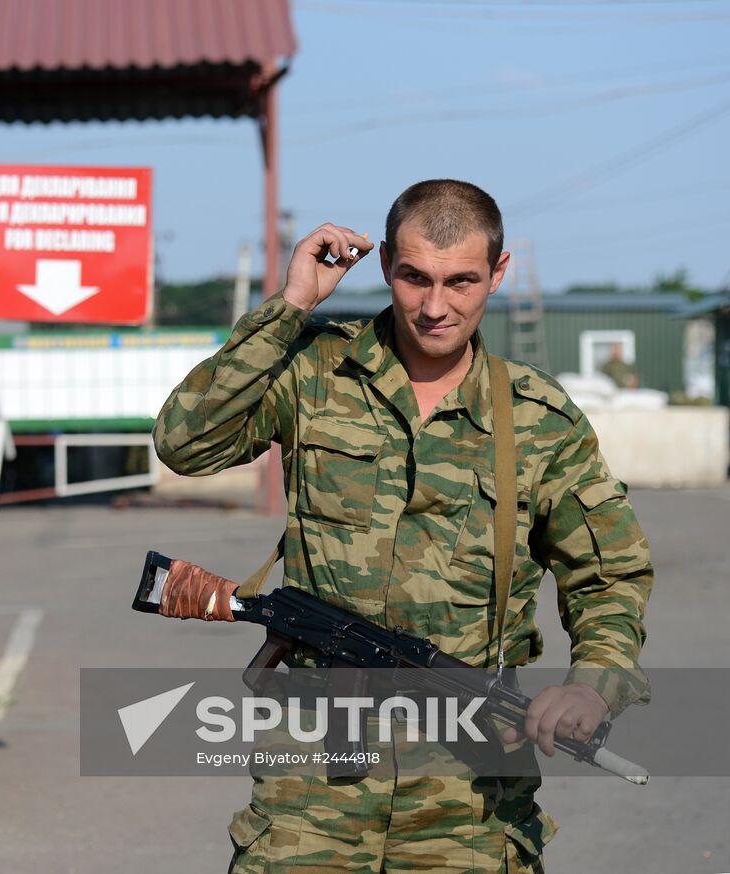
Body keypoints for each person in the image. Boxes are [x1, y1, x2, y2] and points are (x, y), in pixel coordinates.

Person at [153, 179, 653, 873]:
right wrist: (292, 305)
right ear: (385, 262)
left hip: (470, 789)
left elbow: (609, 575)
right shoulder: (316, 371)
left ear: (497, 273)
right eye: (415, 277)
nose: (435, 305)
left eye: (461, 281)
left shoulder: (539, 419)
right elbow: (185, 442)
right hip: (311, 782)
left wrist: (593, 682)